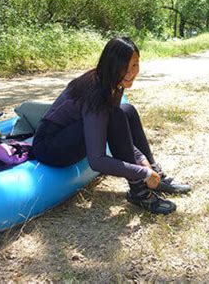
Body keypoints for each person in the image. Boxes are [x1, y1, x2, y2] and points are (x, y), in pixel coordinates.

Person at [32, 37, 191, 215]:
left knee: (127, 110)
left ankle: (156, 174)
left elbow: (118, 132)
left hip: (69, 135)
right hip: (50, 146)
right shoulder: (96, 93)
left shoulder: (112, 82)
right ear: (112, 66)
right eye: (125, 67)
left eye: (135, 65)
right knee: (115, 115)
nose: (131, 73)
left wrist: (144, 162)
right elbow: (97, 160)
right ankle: (139, 190)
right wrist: (142, 173)